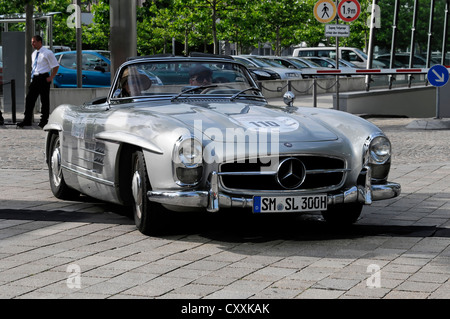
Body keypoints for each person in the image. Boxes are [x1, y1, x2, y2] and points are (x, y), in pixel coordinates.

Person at [17, 35, 59, 128]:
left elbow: (55, 66)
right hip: (35, 78)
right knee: (29, 99)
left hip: (43, 77)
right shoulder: (34, 54)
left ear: (40, 42)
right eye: (32, 42)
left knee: (44, 100)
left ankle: (44, 120)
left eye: (34, 42)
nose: (32, 44)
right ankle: (27, 120)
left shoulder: (47, 53)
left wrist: (51, 77)